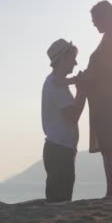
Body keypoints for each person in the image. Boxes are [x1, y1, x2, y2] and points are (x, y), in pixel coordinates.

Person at [75, 0, 112, 197]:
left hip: (106, 98)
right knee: (107, 147)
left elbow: (102, 72)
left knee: (108, 147)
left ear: (106, 17)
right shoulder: (110, 39)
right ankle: (111, 191)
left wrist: (79, 78)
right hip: (102, 98)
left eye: (95, 19)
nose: (94, 23)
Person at [41, 39, 86, 202]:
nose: (75, 62)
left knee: (59, 200)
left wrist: (76, 82)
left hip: (62, 150)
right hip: (59, 151)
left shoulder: (57, 82)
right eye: (72, 58)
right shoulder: (54, 85)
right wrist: (82, 91)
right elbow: (73, 116)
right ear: (62, 59)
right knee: (59, 203)